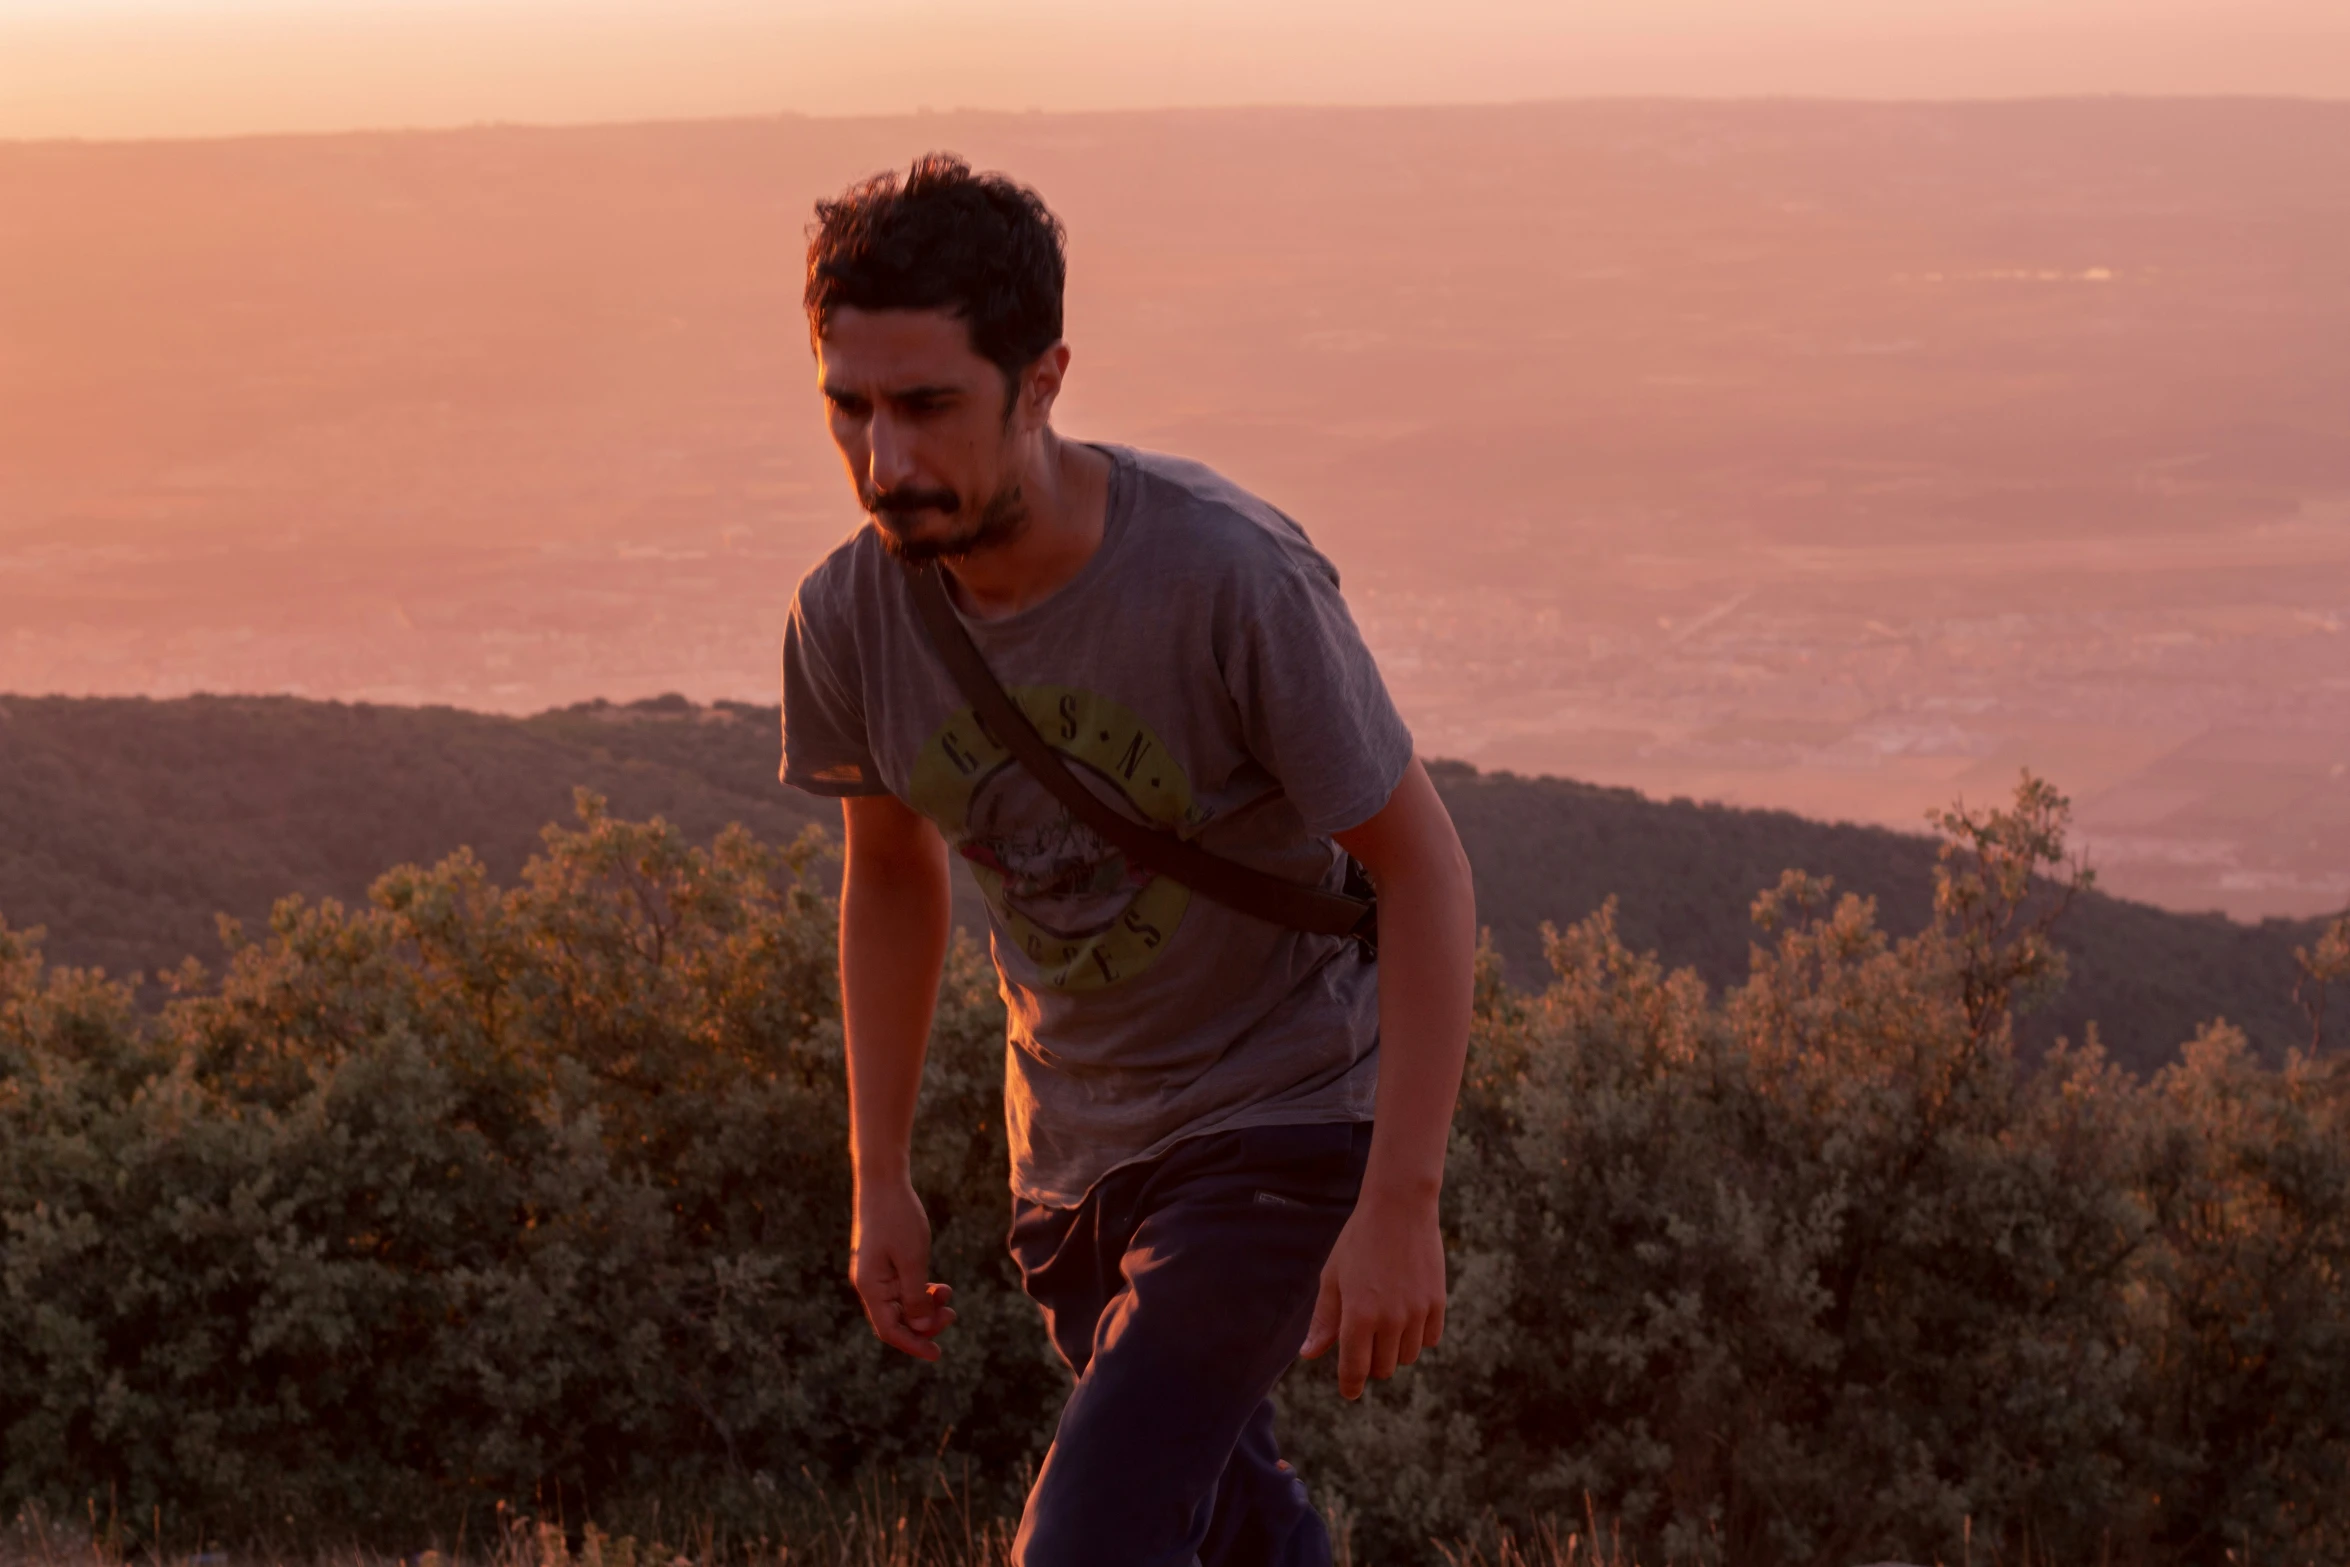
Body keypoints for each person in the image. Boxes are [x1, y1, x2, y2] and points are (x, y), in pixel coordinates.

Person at [778, 152, 1477, 1567]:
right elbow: (893, 872)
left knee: (1087, 1540)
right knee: (1230, 1521)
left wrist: (1401, 1200)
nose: (883, 462)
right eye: (847, 409)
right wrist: (880, 1172)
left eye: (927, 407)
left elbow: (1420, 868)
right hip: (1076, 1157)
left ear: (1040, 382)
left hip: (1282, 1112)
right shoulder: (848, 618)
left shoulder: (1223, 577)